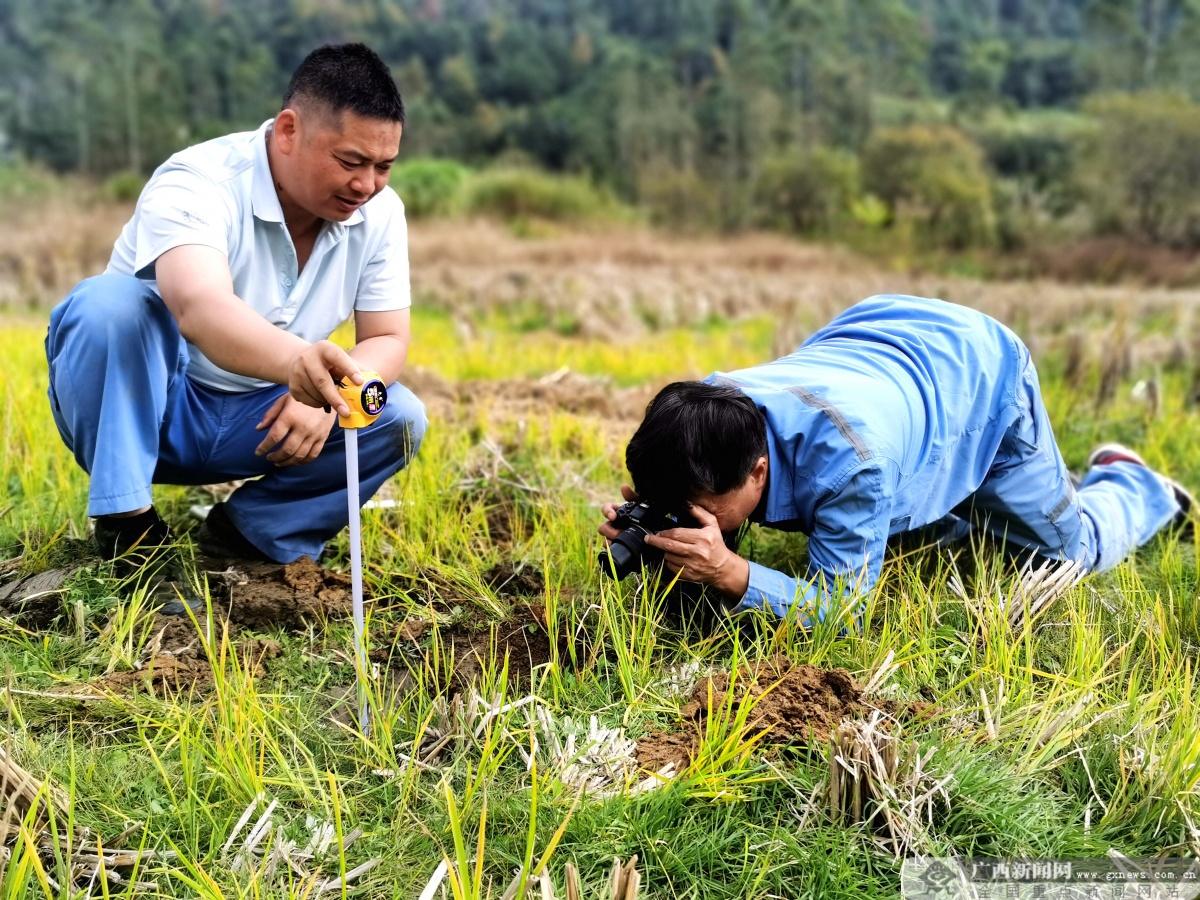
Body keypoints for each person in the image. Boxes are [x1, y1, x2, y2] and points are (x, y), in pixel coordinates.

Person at [45, 43, 426, 613]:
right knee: (110, 304)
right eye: (350, 162)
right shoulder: (197, 180)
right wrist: (299, 365)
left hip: (265, 422)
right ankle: (129, 533)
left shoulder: (380, 213)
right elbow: (199, 306)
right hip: (154, 409)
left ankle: (249, 535)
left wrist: (326, 399)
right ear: (289, 130)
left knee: (396, 417)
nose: (366, 185)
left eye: (383, 166)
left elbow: (388, 338)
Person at [600, 295, 1192, 626]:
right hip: (877, 338)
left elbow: (843, 610)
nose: (688, 515)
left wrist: (731, 572)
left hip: (976, 370)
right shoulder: (706, 415)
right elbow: (692, 485)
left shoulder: (851, 466)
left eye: (699, 509)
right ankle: (1031, 492)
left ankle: (1131, 481)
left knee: (1064, 554)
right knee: (923, 523)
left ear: (758, 473)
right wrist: (652, 522)